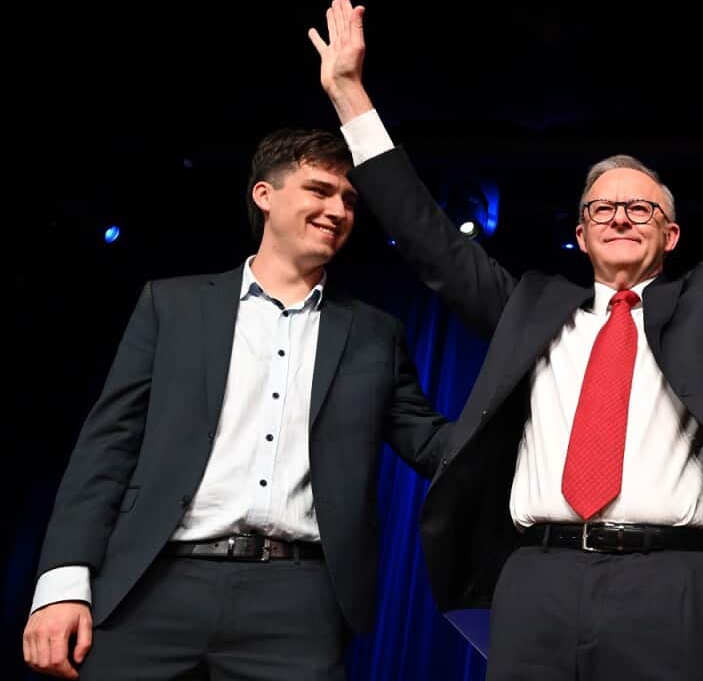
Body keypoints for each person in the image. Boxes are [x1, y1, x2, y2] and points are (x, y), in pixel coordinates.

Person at [306, 0, 703, 678]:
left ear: (671, 235)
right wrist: (350, 95)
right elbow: (426, 238)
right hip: (537, 580)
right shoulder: (531, 307)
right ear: (580, 234)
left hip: (676, 586)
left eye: (642, 209)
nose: (621, 218)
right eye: (603, 208)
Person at [22, 128, 450, 680]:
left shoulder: (374, 333)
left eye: (348, 200)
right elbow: (106, 449)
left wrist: (534, 425)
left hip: (297, 601)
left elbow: (430, 441)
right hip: (151, 584)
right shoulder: (171, 305)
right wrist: (60, 586)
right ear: (264, 196)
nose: (337, 209)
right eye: (319, 190)